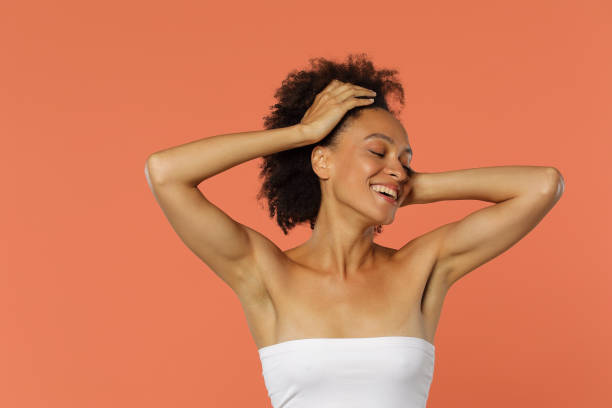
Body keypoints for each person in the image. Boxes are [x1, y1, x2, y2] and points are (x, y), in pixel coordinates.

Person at [144, 54, 564, 408]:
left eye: (405, 158)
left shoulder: (422, 267)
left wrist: (406, 186)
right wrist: (301, 134)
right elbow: (165, 173)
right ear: (322, 162)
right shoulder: (265, 271)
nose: (397, 166)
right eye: (378, 151)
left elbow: (543, 185)